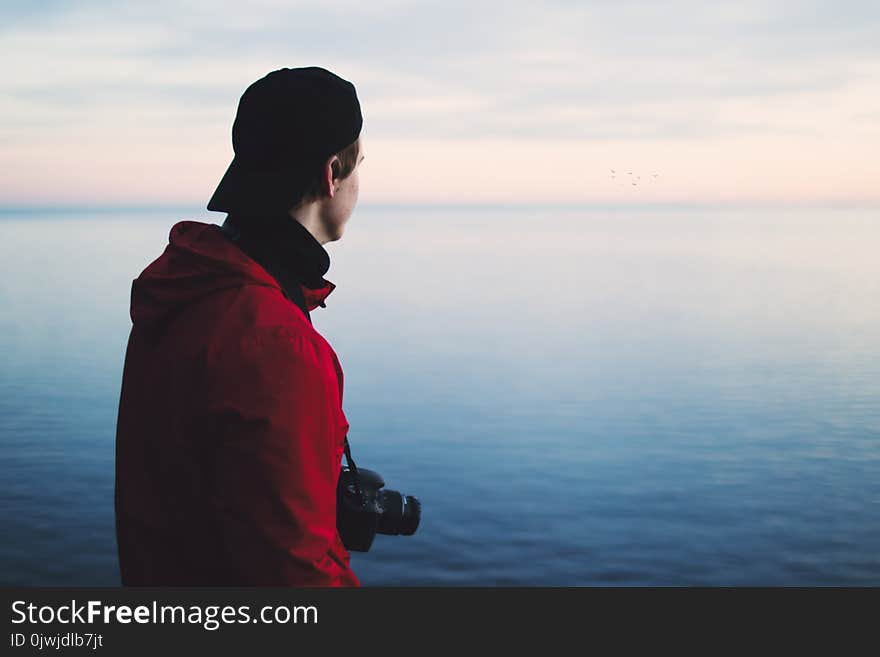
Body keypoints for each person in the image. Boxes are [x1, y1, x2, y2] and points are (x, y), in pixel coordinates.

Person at [114, 66, 364, 586]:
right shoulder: (277, 342)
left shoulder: (187, 292)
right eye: (359, 164)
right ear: (330, 174)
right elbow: (295, 575)